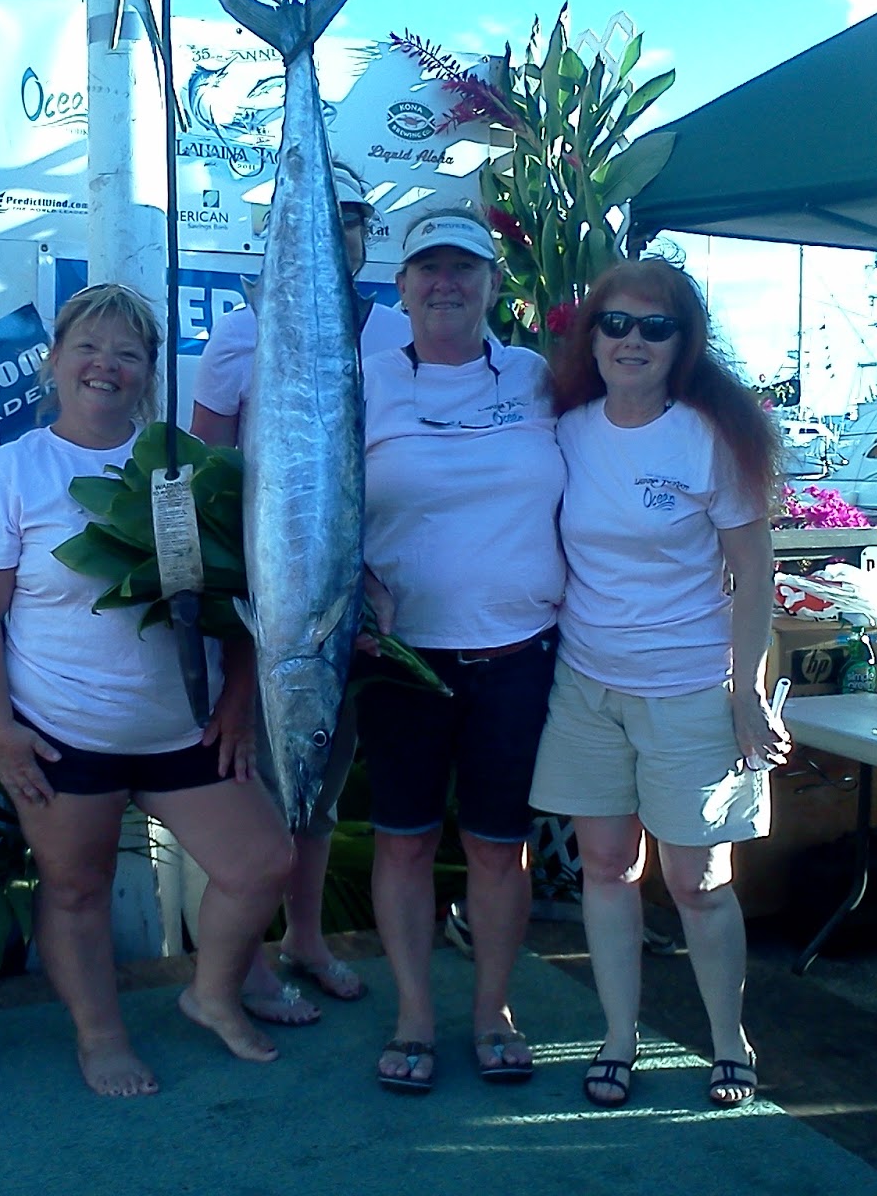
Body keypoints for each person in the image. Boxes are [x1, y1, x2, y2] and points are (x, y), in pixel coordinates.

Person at [0, 283, 292, 1097]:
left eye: (129, 353)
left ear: (148, 372)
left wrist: (239, 702)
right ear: (57, 359)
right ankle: (99, 1035)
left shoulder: (190, 465)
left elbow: (243, 600)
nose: (106, 365)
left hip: (187, 731)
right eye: (89, 348)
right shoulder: (15, 469)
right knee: (75, 889)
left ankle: (210, 994)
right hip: (66, 733)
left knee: (261, 863)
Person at [529, 258, 788, 1111]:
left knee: (698, 882)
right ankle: (619, 1036)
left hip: (687, 690)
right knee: (606, 868)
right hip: (586, 687)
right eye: (616, 323)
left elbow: (756, 577)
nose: (632, 340)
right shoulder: (564, 428)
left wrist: (744, 691)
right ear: (590, 333)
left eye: (655, 326)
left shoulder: (710, 437)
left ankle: (728, 1041)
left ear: (684, 344)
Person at [189, 161, 407, 1026]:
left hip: (359, 612)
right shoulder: (233, 339)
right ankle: (240, 965)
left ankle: (306, 940)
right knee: (258, 798)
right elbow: (208, 477)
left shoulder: (398, 339)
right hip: (276, 605)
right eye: (334, 218)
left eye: (355, 220)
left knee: (316, 791)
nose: (343, 232)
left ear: (365, 237)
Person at [356, 208, 565, 1093]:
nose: (446, 283)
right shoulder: (361, 381)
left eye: (465, 268)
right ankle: (413, 1012)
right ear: (399, 287)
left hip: (519, 653)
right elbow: (304, 501)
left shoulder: (538, 379)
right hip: (402, 659)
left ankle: (492, 1010)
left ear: (493, 284)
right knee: (402, 843)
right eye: (427, 268)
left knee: (496, 846)